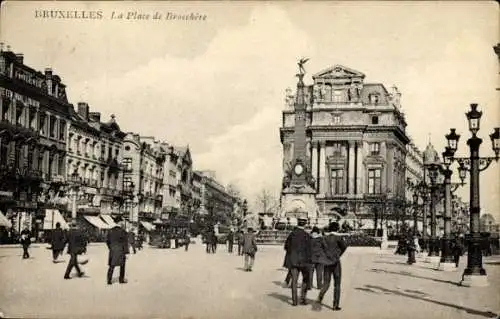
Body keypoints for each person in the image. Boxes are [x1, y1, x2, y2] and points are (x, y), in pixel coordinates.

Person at [315, 221, 347, 311]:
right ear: (337, 228)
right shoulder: (339, 238)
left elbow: (321, 248)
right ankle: (335, 304)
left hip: (327, 262)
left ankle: (320, 297)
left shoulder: (325, 238)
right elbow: (344, 247)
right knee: (337, 284)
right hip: (336, 262)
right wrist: (338, 255)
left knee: (326, 283)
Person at [284, 218, 311, 306]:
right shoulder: (307, 235)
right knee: (305, 280)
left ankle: (294, 301)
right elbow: (310, 249)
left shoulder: (292, 234)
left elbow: (286, 247)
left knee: (294, 281)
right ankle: (303, 298)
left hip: (294, 260)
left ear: (297, 223)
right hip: (304, 261)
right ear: (305, 224)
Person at [107, 220, 130, 285]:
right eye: (121, 221)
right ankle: (121, 279)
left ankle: (109, 280)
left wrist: (111, 248)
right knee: (122, 265)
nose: (122, 222)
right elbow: (125, 243)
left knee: (111, 265)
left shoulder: (110, 231)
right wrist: (126, 252)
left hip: (113, 250)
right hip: (120, 250)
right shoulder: (123, 232)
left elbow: (107, 241)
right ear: (119, 223)